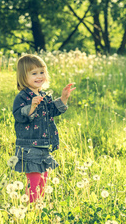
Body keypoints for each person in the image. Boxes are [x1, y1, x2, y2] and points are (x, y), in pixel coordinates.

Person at [12, 54, 76, 203]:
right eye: (34, 73)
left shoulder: (44, 95)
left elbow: (52, 111)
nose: (39, 76)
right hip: (29, 147)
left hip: (44, 146)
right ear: (23, 76)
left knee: (43, 181)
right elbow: (19, 116)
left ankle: (38, 208)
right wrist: (32, 107)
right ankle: (31, 209)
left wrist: (64, 98)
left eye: (42, 72)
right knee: (34, 182)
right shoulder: (22, 97)